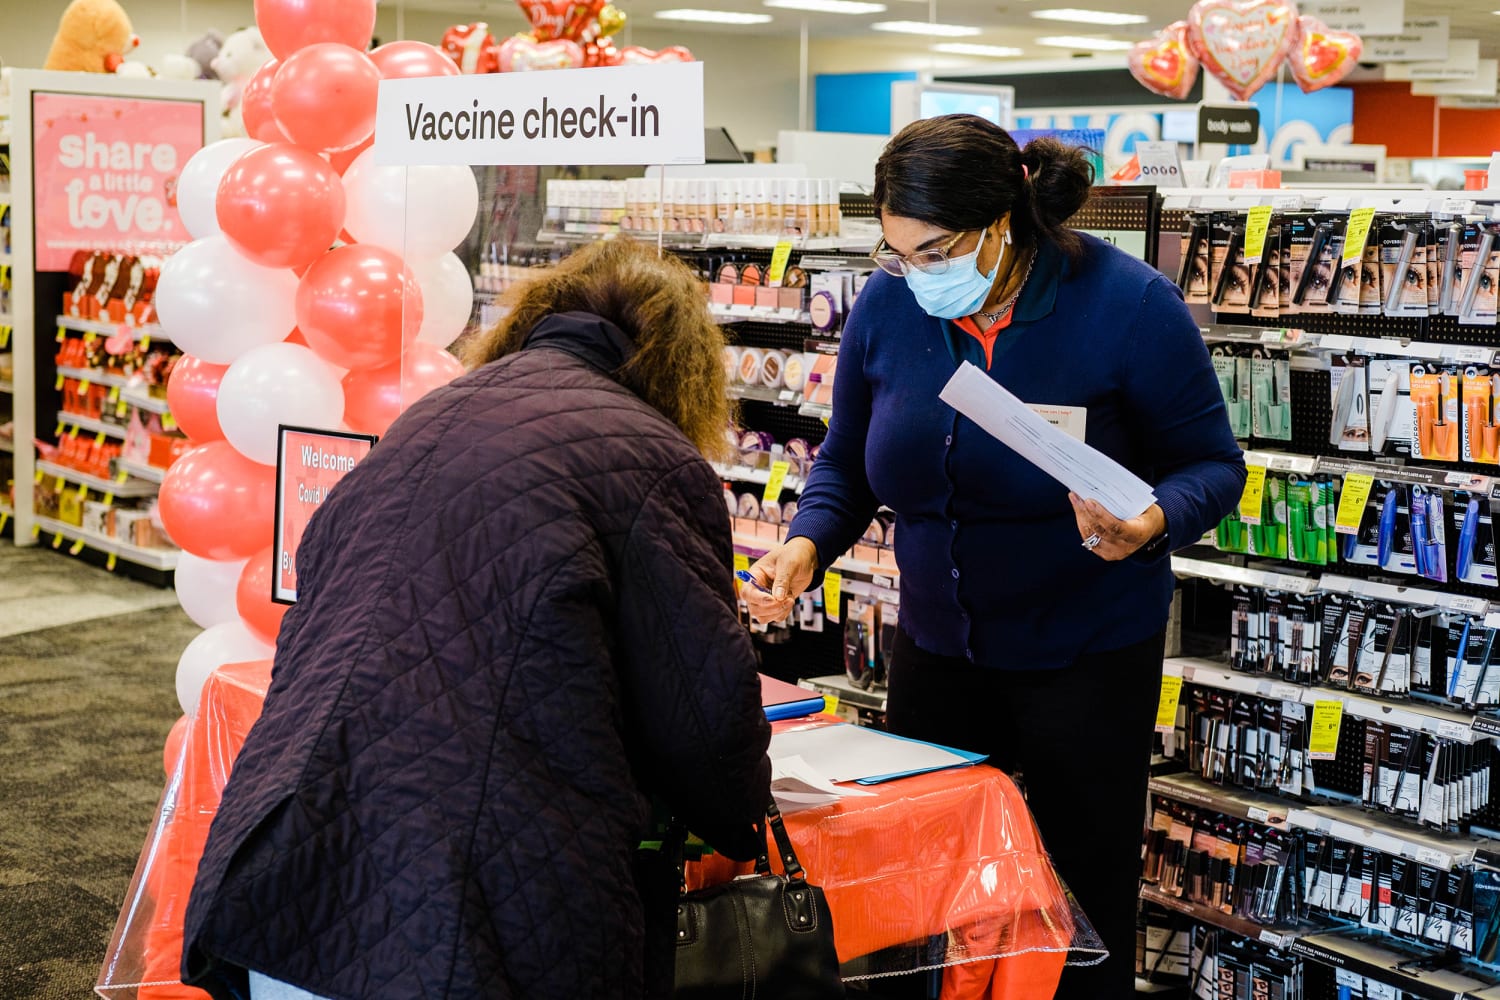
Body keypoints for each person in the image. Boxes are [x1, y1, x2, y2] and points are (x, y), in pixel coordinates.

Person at [181, 238, 773, 1000]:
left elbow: (318, 598)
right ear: (679, 366)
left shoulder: (433, 415)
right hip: (471, 899)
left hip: (296, 861)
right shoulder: (653, 458)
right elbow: (704, 711)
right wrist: (739, 813)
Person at [743, 114, 1246, 999]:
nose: (916, 272)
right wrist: (806, 542)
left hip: (1085, 652)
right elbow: (847, 459)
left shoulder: (1126, 305)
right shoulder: (889, 304)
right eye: (898, 251)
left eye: (935, 250)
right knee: (924, 892)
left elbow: (1214, 466)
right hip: (937, 648)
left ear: (1003, 219)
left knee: (1075, 899)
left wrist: (1156, 518)